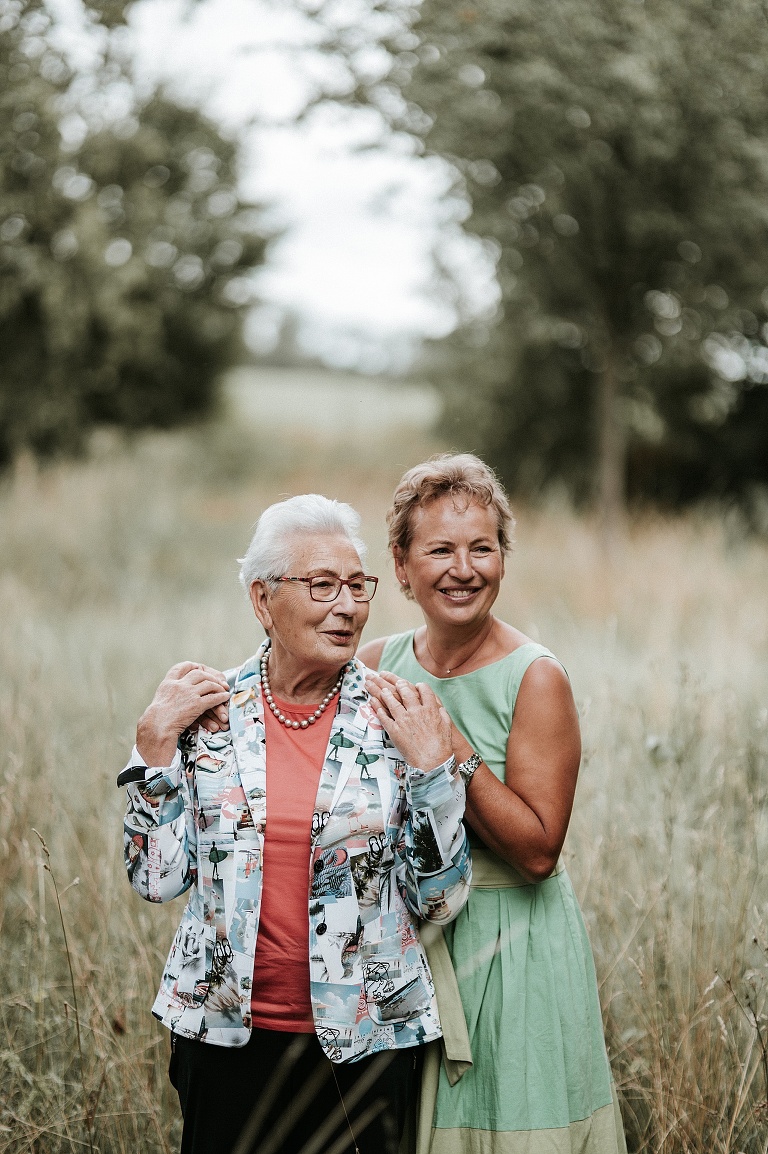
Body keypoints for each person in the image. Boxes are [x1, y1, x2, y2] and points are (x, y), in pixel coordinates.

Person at [118, 494, 472, 1154]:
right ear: (262, 599)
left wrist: (433, 771)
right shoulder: (205, 713)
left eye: (357, 586)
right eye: (322, 585)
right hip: (224, 1037)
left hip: (367, 1043)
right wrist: (152, 744)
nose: (347, 606)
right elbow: (157, 879)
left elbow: (442, 899)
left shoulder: (400, 716)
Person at [359, 455, 627, 1154]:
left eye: (482, 548)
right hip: (413, 947)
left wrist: (451, 748)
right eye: (440, 549)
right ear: (401, 564)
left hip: (514, 946)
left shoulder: (534, 676)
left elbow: (540, 851)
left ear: (503, 559)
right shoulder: (378, 665)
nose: (463, 568)